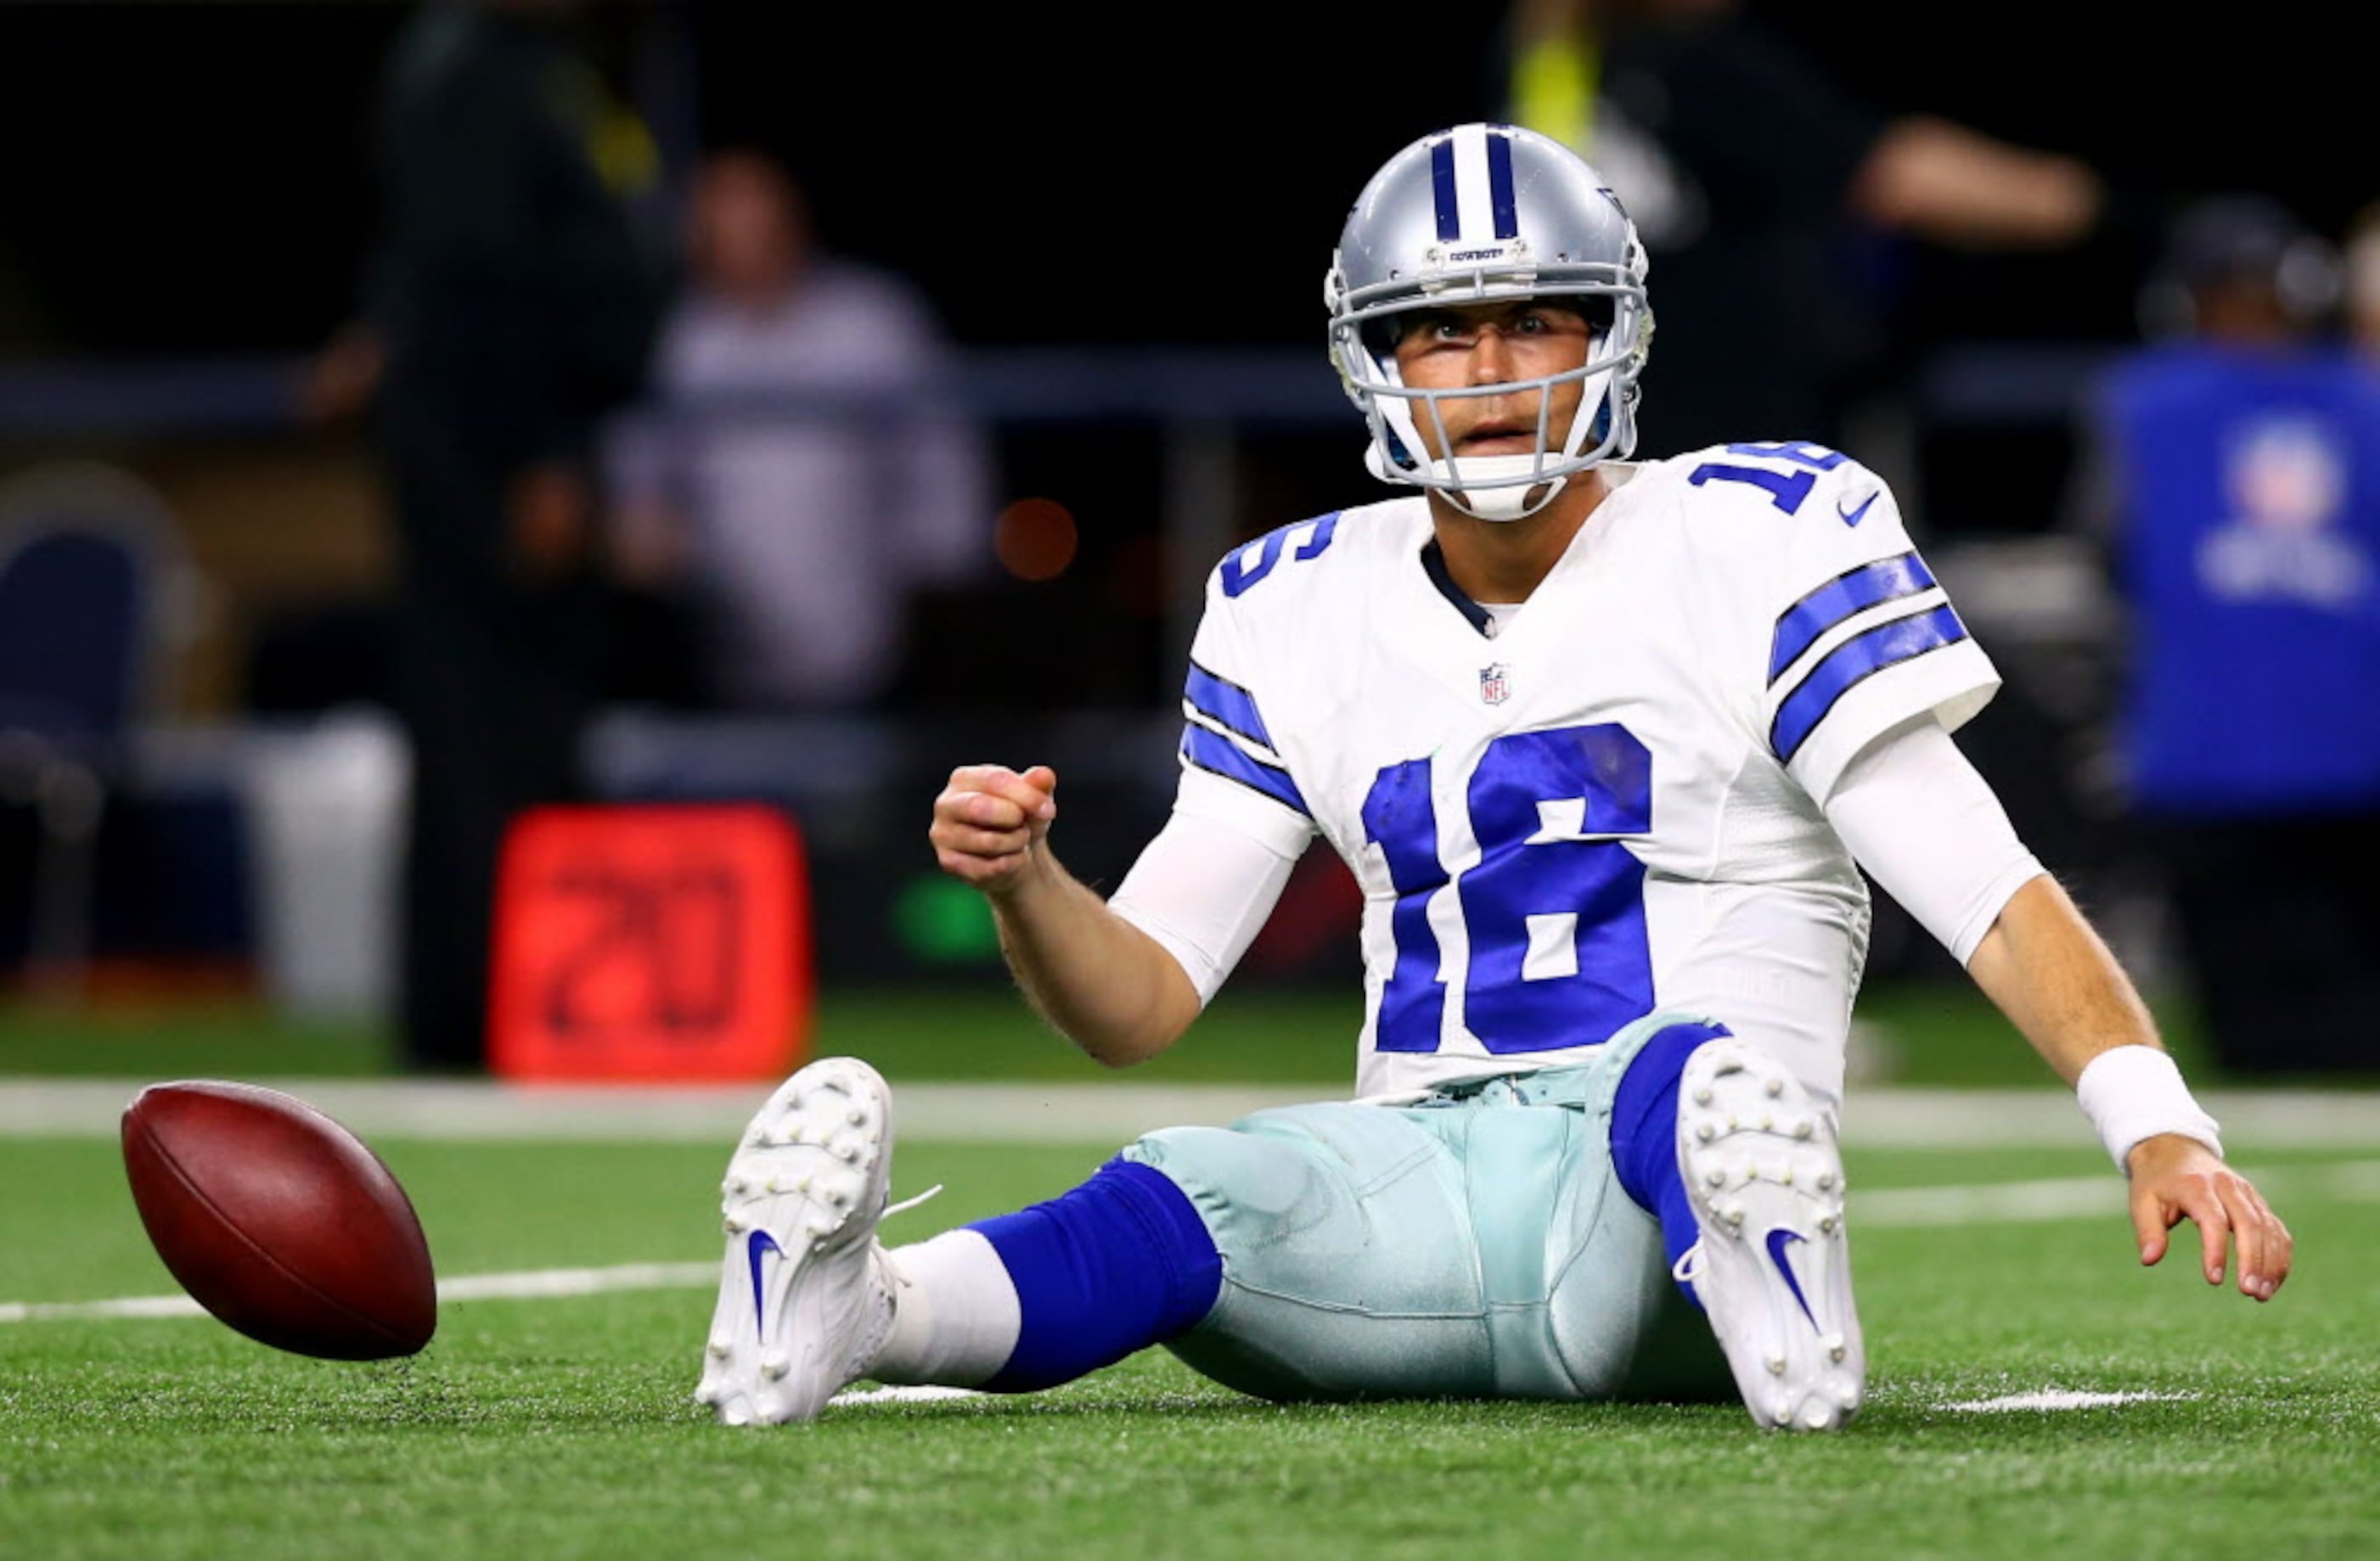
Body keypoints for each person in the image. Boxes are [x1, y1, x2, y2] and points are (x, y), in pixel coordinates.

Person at [695, 126, 2291, 1434]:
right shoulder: (1289, 597)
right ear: (1373, 359)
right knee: (1186, 1188)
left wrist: (2154, 1121)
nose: (1488, 365)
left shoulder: (1757, 532)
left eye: (1534, 317)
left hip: (1654, 1202)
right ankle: (861, 1310)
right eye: (1440, 329)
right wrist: (1029, 887)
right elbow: (1141, 1003)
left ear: (1612, 335)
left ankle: (1764, 1261)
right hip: (1419, 1183)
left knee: (1692, 1078)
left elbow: (1981, 882)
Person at [307, 0, 666, 1069]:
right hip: (495, 446)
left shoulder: (526, 65)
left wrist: (379, 328)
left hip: (502, 431)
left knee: (513, 727)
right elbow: (478, 271)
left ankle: (522, 1001)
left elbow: (439, 247)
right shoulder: (469, 65)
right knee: (488, 732)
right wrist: (542, 452)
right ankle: (481, 1016)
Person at [1503, 0, 2108, 458]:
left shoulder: (1542, 72)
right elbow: (1895, 177)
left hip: (1591, 443)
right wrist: (2084, 201)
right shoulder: (1693, 64)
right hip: (1728, 438)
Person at [2090, 194, 2380, 1078]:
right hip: (2351, 756)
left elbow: (2107, 552)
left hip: (2204, 755)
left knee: (2250, 1052)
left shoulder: (2139, 404)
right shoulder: (2365, 402)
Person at [605, 148, 993, 712]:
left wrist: (938, 600)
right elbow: (639, 485)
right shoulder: (686, 340)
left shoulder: (871, 322)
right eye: (719, 217)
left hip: (874, 650)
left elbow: (945, 480)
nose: (740, 234)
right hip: (724, 655)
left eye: (754, 210)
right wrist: (649, 532)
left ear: (789, 215)